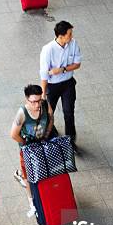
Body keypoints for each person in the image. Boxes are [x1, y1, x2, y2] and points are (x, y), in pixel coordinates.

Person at [10, 84, 54, 217]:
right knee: (28, 176)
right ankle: (31, 202)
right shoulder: (22, 113)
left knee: (45, 169)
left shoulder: (45, 105)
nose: (37, 104)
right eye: (33, 101)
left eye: (39, 100)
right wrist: (24, 143)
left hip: (42, 143)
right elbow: (13, 134)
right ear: (27, 100)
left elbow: (51, 118)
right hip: (28, 148)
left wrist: (46, 135)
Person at [39, 20, 82, 152]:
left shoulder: (73, 44)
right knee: (49, 113)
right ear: (60, 36)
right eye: (69, 34)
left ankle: (70, 140)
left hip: (68, 83)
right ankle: (51, 134)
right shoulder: (48, 50)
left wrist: (62, 70)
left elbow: (77, 64)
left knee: (69, 112)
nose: (72, 36)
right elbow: (44, 74)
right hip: (52, 86)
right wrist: (43, 93)